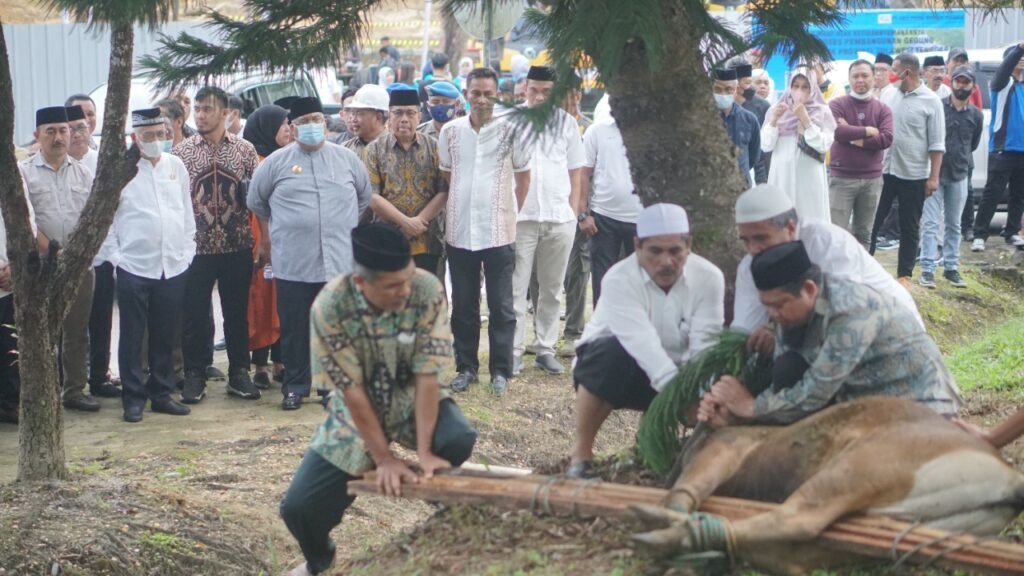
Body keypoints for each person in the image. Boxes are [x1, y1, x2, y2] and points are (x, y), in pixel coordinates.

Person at [279, 223, 477, 576]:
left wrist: (427, 451)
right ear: (361, 284)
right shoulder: (330, 306)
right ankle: (320, 560)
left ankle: (448, 515)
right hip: (355, 410)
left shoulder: (427, 289)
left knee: (457, 437)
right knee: (298, 508)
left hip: (410, 393)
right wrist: (383, 458)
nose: (405, 290)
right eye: (392, 286)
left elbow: (428, 375)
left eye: (407, 278)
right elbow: (351, 391)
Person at [699, 241, 961, 427]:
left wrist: (750, 407)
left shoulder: (851, 312)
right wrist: (728, 400)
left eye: (778, 305)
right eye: (767, 306)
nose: (773, 315)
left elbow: (814, 392)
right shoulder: (792, 310)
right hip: (861, 401)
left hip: (920, 407)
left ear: (810, 289)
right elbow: (786, 373)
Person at [568, 204, 724, 478]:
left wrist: (699, 395)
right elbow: (642, 345)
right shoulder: (618, 278)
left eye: (675, 251)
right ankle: (580, 456)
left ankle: (657, 450)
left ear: (688, 245)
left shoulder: (709, 278)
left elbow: (704, 347)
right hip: (617, 370)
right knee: (611, 352)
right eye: (655, 251)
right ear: (638, 246)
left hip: (677, 370)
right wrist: (682, 399)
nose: (666, 261)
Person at [248, 97, 372, 410]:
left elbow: (363, 197)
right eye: (303, 122)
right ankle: (295, 386)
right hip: (294, 262)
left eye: (316, 119)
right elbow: (256, 201)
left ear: (326, 123)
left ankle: (330, 388)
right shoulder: (276, 163)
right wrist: (276, 233)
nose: (311, 126)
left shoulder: (346, 160)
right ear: (292, 127)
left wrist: (338, 224)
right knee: (294, 329)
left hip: (337, 260)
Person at [731, 184, 922, 353]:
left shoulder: (828, 243)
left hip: (891, 335)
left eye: (760, 238)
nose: (753, 250)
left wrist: (777, 332)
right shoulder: (750, 266)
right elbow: (744, 330)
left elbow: (843, 316)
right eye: (745, 241)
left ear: (790, 228)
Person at [437, 67, 531, 396]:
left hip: (499, 232)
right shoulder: (450, 132)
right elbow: (449, 177)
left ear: (497, 95)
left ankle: (500, 371)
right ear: (466, 93)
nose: (481, 100)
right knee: (463, 304)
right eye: (475, 93)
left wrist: (505, 209)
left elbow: (523, 178)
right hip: (460, 231)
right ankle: (466, 368)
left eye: (487, 94)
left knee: (502, 305)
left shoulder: (513, 131)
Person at [102, 108, 195, 423]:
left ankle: (162, 393)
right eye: (148, 136)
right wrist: (118, 259)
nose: (156, 141)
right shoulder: (122, 172)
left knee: (165, 333)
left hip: (172, 265)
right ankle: (133, 398)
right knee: (132, 335)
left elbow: (186, 213)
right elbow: (108, 223)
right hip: (134, 267)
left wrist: (187, 252)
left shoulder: (176, 166)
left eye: (160, 134)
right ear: (134, 138)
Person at [173, 86, 261, 404]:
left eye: (208, 109)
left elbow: (260, 200)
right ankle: (195, 373)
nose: (200, 115)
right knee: (195, 314)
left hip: (237, 244)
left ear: (225, 113)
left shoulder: (244, 150)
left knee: (236, 312)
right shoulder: (181, 153)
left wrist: (264, 241)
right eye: (197, 108)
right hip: (195, 248)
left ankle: (240, 372)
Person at [20, 106, 100, 412]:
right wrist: (52, 253)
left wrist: (76, 255)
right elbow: (26, 221)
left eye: (63, 130)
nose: (58, 138)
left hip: (79, 265)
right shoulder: (25, 173)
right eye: (50, 131)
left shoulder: (84, 172)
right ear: (37, 135)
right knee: (39, 331)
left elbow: (93, 218)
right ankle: (42, 393)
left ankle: (75, 390)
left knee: (77, 330)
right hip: (39, 266)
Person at [512, 66, 585, 376]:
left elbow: (576, 170)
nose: (539, 96)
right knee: (516, 288)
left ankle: (545, 348)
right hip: (521, 217)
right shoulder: (511, 121)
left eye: (546, 91)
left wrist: (571, 210)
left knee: (553, 288)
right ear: (525, 88)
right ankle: (512, 351)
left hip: (558, 216)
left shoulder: (567, 123)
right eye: (534, 90)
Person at [871, 53, 945, 287]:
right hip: (884, 170)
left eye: (894, 69)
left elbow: (937, 144)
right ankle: (866, 267)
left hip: (914, 174)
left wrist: (933, 178)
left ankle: (904, 275)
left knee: (909, 225)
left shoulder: (931, 101)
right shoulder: (888, 94)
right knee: (873, 221)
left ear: (908, 72)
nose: (890, 74)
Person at [365, 88, 448, 275]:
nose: (404, 119)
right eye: (398, 113)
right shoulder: (374, 150)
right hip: (389, 238)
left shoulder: (434, 147)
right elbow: (372, 196)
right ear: (389, 116)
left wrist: (418, 221)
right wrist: (405, 223)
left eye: (410, 113)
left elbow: (443, 191)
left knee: (425, 297)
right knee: (391, 298)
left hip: (427, 238)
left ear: (419, 116)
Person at [242, 104, 292, 389]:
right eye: (282, 124)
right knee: (261, 302)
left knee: (283, 302)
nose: (288, 128)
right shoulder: (256, 161)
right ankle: (260, 364)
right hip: (262, 241)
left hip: (289, 242)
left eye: (288, 123)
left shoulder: (290, 158)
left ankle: (281, 362)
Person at [920, 66, 983, 289]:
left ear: (973, 86)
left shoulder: (976, 114)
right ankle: (927, 269)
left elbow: (973, 144)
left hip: (959, 174)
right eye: (958, 81)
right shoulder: (938, 107)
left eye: (966, 82)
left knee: (954, 224)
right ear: (952, 83)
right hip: (934, 174)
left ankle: (951, 268)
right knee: (929, 223)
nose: (962, 85)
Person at [579, 94, 643, 306]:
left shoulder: (648, 131)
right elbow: (583, 173)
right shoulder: (597, 130)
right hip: (603, 218)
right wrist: (583, 214)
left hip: (641, 219)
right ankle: (603, 332)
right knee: (603, 280)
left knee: (640, 281)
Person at [828, 59, 894, 249]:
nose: (860, 80)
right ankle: (836, 276)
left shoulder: (883, 109)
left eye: (865, 75)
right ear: (849, 79)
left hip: (871, 180)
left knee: (864, 233)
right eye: (855, 76)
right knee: (836, 232)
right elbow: (837, 132)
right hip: (842, 178)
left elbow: (886, 139)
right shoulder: (837, 104)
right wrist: (867, 130)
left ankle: (860, 276)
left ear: (874, 78)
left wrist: (853, 136)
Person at [761, 68, 836, 222]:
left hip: (809, 177)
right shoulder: (776, 109)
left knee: (810, 219)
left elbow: (823, 145)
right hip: (781, 176)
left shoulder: (822, 111)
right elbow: (766, 145)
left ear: (813, 88)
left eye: (805, 86)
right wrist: (774, 120)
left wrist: (806, 120)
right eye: (795, 86)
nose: (799, 91)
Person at [972, 43, 1024, 252]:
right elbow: (1005, 69)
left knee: (1018, 194)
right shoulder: (1002, 84)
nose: (1020, 59)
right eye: (1015, 57)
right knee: (993, 193)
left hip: (1022, 150)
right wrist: (1018, 48)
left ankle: (1012, 231)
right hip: (1003, 149)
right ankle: (979, 234)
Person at [0, 175, 36, 424]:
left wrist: (15, 265)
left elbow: (28, 222)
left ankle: (9, 404)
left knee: (8, 347)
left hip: (11, 277)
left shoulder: (13, 176)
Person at [712, 68, 761, 187]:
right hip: (711, 186)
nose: (723, 94)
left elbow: (754, 156)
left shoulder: (749, 119)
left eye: (728, 90)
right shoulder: (703, 118)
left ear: (737, 90)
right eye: (718, 90)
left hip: (740, 185)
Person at [730, 62, 770, 184]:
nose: (750, 89)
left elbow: (761, 152)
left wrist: (761, 181)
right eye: (747, 83)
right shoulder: (719, 105)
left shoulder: (762, 106)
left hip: (749, 174)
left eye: (749, 83)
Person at [343, 84, 390, 161]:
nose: (353, 119)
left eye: (359, 113)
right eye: (353, 113)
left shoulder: (396, 149)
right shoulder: (346, 149)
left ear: (378, 117)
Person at [65, 105, 97, 172]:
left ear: (88, 128)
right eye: (70, 130)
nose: (77, 135)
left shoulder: (101, 160)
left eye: (81, 128)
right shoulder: (56, 164)